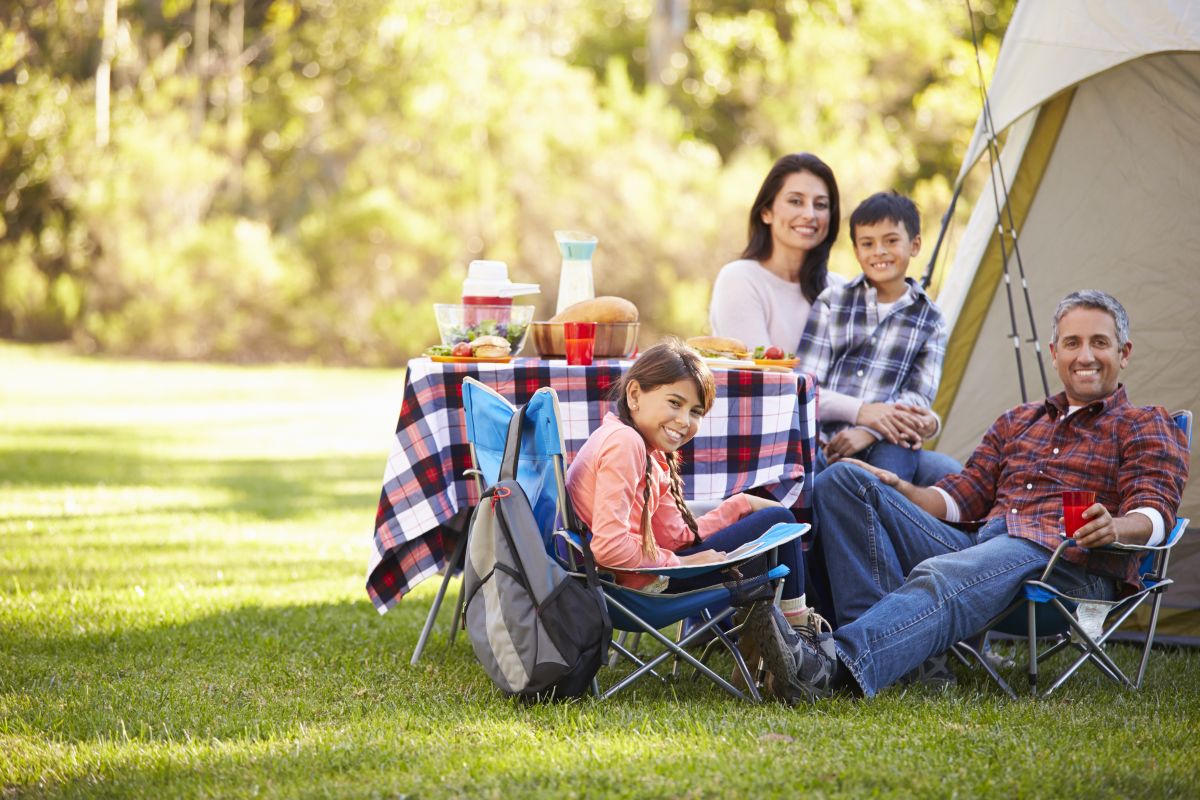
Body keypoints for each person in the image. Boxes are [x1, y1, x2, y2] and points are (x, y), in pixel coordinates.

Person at [758, 290, 1189, 703]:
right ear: (1055, 354)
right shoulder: (1018, 421)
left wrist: (1115, 526)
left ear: (1124, 353)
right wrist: (899, 488)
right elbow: (961, 498)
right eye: (1073, 343)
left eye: (1100, 343)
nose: (1086, 355)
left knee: (943, 574)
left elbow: (1155, 511)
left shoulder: (1144, 423)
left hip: (1063, 560)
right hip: (985, 542)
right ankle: (904, 664)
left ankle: (829, 668)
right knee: (841, 480)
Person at [565, 338, 825, 690]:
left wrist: (741, 505)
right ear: (635, 395)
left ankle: (779, 644)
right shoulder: (624, 445)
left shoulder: (642, 446)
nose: (684, 421)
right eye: (675, 403)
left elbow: (675, 535)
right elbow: (610, 550)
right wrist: (682, 563)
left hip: (636, 576)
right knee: (779, 523)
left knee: (770, 522)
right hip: (638, 586)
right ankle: (798, 647)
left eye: (696, 412)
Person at [797, 190, 960, 485]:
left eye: (891, 241)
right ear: (856, 250)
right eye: (868, 243)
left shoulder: (930, 319)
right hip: (823, 437)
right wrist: (858, 416)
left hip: (890, 441)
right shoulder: (833, 302)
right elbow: (805, 385)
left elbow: (919, 397)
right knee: (823, 481)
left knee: (887, 483)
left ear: (915, 244)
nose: (879, 252)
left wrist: (868, 431)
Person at [708, 153, 846, 353]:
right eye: (796, 201)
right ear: (766, 212)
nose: (810, 215)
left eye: (821, 205)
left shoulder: (841, 290)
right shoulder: (740, 279)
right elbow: (762, 375)